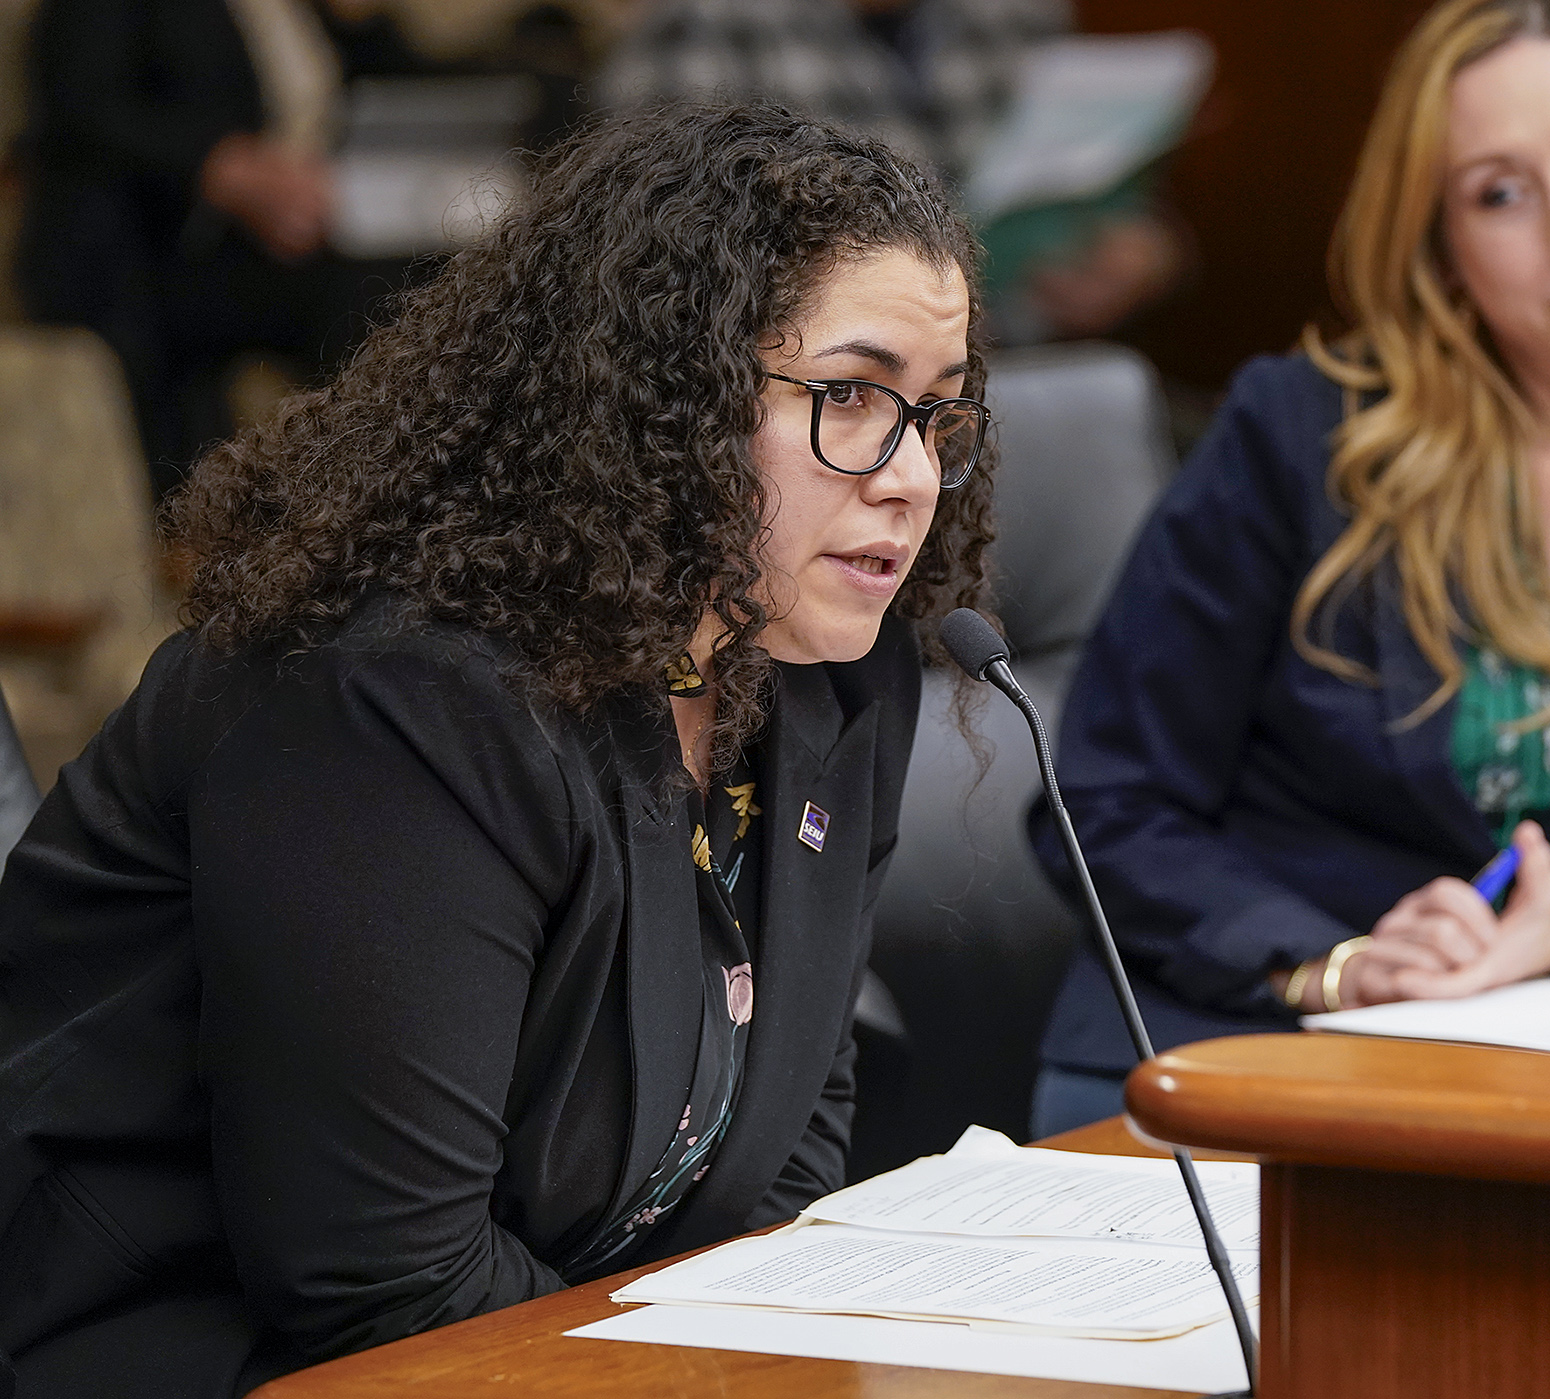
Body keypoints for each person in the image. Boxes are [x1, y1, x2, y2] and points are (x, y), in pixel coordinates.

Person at [0, 102, 996, 1396]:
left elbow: (787, 1144)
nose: (913, 475)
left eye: (940, 414)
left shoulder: (830, 675)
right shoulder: (393, 696)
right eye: (853, 397)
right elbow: (380, 1284)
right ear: (664, 391)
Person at [1028, 0, 1550, 1138]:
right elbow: (1103, 804)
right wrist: (1337, 965)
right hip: (1230, 1057)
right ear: (1440, 248)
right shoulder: (1302, 438)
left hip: (1545, 1074)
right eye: (1500, 194)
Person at [15, 0, 425, 506]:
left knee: (416, 272)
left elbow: (375, 74)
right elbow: (82, 108)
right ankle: (358, 510)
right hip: (142, 253)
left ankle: (402, 501)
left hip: (272, 235)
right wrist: (222, 170)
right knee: (363, 290)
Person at [596, 0, 1182, 342]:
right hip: (818, 391)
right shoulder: (705, 23)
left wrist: (1139, 255)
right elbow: (657, 268)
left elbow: (1101, 190)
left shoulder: (1015, 15)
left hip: (1023, 361)